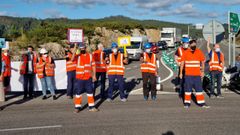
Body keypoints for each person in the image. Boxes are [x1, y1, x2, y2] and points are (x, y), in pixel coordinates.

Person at [180, 40, 210, 108]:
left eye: (195, 45)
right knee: (188, 89)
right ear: (190, 45)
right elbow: (182, 63)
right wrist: (181, 73)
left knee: (199, 89)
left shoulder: (199, 52)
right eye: (193, 45)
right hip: (188, 75)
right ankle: (187, 103)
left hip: (197, 75)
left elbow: (202, 62)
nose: (194, 46)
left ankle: (202, 103)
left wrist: (202, 72)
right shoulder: (186, 52)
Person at [73, 43, 99, 113]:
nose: (82, 49)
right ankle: (77, 107)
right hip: (80, 78)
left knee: (90, 93)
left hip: (88, 78)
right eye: (81, 48)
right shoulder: (78, 56)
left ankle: (92, 107)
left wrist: (94, 75)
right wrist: (75, 48)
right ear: (79, 49)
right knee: (78, 93)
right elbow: (72, 59)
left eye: (83, 48)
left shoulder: (90, 56)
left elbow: (93, 66)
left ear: (85, 48)